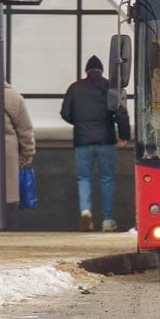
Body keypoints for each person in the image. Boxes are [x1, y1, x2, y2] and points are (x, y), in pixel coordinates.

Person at [62, 55, 130, 232]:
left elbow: (65, 113)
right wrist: (124, 135)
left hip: (82, 141)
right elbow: (121, 113)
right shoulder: (110, 87)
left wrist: (80, 124)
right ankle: (108, 220)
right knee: (107, 179)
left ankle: (86, 210)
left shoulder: (75, 88)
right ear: (101, 71)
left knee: (84, 178)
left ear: (87, 71)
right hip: (106, 140)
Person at [0, 82, 36, 248]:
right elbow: (25, 130)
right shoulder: (13, 96)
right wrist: (27, 154)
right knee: (3, 196)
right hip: (6, 154)